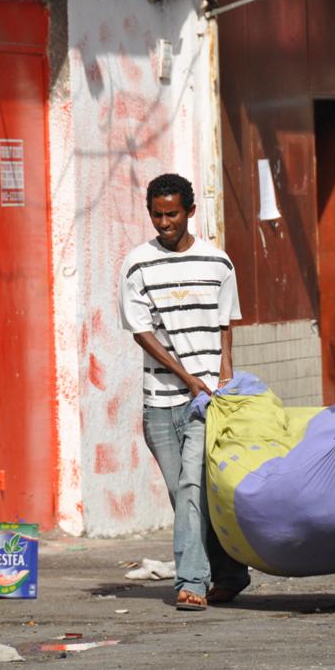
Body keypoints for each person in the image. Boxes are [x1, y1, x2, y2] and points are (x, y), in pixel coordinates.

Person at [119, 173, 250, 611]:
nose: (163, 222)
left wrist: (221, 375)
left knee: (195, 487)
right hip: (159, 399)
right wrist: (184, 376)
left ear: (190, 211)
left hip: (205, 400)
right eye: (156, 214)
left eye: (171, 214)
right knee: (183, 495)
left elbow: (225, 323)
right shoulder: (137, 264)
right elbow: (141, 332)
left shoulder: (218, 263)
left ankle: (191, 580)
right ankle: (230, 573)